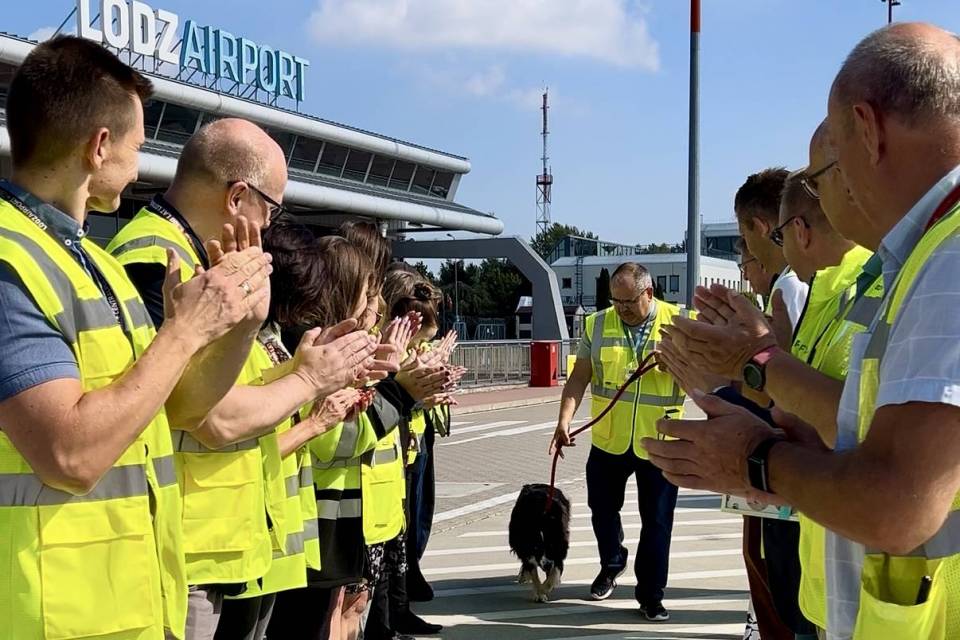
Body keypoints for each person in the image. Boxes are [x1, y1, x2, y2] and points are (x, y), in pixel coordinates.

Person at [646, 23, 960, 639]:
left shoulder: (948, 263)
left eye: (823, 175)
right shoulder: (927, 255)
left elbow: (897, 504)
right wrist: (757, 366)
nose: (831, 197)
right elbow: (865, 424)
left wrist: (754, 459)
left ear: (867, 131)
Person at [0, 36, 271, 640]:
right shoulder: (10, 261)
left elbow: (177, 412)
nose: (141, 166)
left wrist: (238, 325)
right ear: (99, 146)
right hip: (49, 615)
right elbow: (70, 455)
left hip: (122, 608)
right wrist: (184, 333)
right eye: (138, 147)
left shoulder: (90, 262)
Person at [108, 119, 386, 640]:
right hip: (188, 541)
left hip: (210, 535)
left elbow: (207, 393)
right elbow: (208, 416)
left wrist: (301, 368)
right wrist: (308, 379)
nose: (270, 223)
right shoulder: (159, 260)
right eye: (271, 208)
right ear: (238, 197)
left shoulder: (193, 259)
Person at [548, 262, 689, 621]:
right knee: (601, 509)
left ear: (648, 293)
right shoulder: (597, 324)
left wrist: (678, 364)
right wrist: (564, 420)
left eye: (628, 301)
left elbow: (705, 378)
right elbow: (579, 377)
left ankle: (651, 595)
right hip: (609, 440)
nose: (621, 308)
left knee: (657, 521)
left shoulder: (680, 323)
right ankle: (612, 561)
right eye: (615, 301)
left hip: (659, 440)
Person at [735, 168, 810, 325]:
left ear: (760, 227)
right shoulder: (807, 278)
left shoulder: (788, 286)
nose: (749, 247)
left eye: (744, 235)